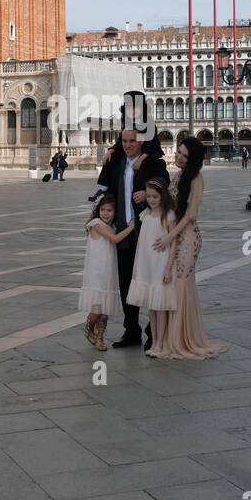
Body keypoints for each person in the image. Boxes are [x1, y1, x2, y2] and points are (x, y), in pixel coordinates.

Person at [149, 137, 227, 360]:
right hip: (175, 237)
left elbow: (191, 214)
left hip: (187, 238)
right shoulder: (180, 175)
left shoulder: (196, 178)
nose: (179, 157)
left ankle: (180, 340)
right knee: (174, 284)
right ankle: (170, 339)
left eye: (184, 155)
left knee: (181, 286)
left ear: (192, 159)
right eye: (179, 152)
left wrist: (170, 235)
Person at [95, 127, 169, 349]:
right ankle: (132, 330)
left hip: (146, 232)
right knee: (126, 282)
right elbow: (103, 194)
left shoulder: (153, 163)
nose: (128, 145)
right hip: (123, 232)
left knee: (147, 281)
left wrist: (147, 194)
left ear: (141, 142)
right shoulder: (115, 161)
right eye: (124, 141)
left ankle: (153, 332)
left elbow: (165, 188)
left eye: (132, 141)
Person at [125, 177, 177, 355]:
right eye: (148, 196)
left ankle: (161, 343)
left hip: (160, 263)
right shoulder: (146, 214)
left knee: (160, 307)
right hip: (147, 263)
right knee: (152, 308)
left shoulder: (168, 215)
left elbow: (174, 242)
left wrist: (169, 268)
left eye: (155, 196)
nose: (151, 200)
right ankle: (154, 341)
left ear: (163, 196)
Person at [79, 194, 135, 351]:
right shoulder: (96, 224)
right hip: (96, 274)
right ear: (98, 210)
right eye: (102, 209)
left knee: (104, 312)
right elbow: (115, 239)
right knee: (97, 310)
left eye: (109, 210)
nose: (105, 213)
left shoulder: (111, 226)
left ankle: (99, 338)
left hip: (108, 273)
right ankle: (89, 329)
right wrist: (132, 226)